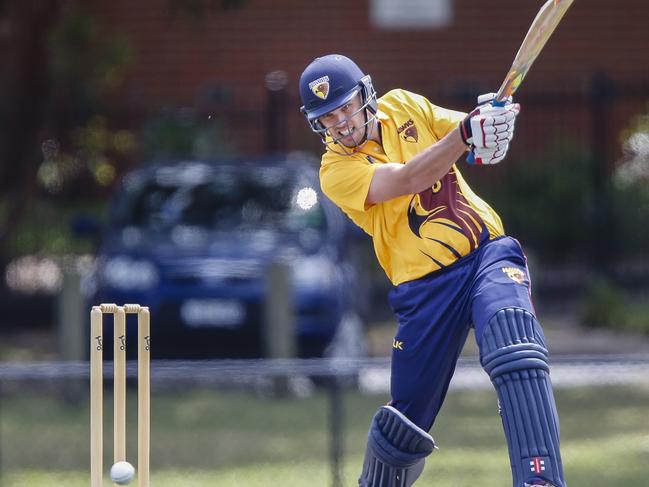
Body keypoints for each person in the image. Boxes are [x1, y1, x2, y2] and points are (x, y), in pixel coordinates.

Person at [298, 54, 566, 487]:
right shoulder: (335, 172)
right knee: (402, 424)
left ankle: (541, 479)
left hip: (485, 256)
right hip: (423, 292)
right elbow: (407, 179)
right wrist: (466, 134)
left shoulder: (404, 105)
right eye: (328, 117)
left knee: (513, 340)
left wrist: (492, 126)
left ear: (365, 95)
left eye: (346, 107)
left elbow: (468, 137)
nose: (342, 123)